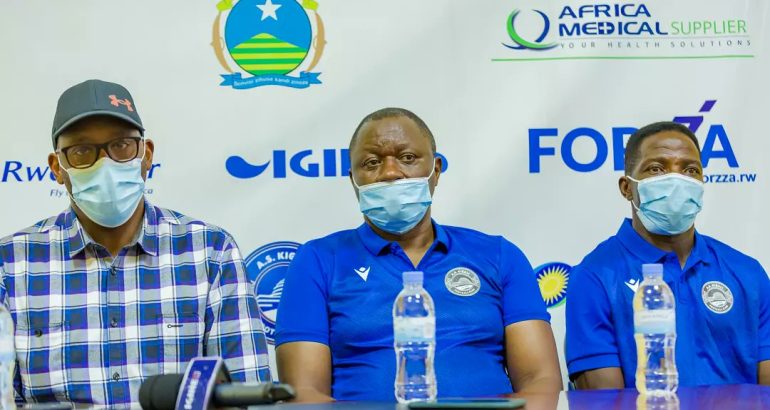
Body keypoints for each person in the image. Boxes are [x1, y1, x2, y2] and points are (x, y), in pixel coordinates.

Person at [0, 79, 270, 405]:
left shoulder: (210, 252)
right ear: (58, 168)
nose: (105, 164)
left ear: (146, 155)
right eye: (82, 151)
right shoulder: (10, 263)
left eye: (121, 145)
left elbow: (246, 396)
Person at [275, 107, 562, 402]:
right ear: (354, 180)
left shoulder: (498, 255)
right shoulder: (318, 261)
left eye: (408, 158)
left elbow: (540, 380)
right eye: (372, 162)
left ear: (435, 171)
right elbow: (305, 394)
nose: (390, 173)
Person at [565, 121, 770, 389]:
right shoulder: (595, 277)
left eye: (690, 170)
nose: (676, 180)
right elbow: (603, 401)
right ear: (627, 188)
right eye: (656, 168)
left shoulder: (747, 273)